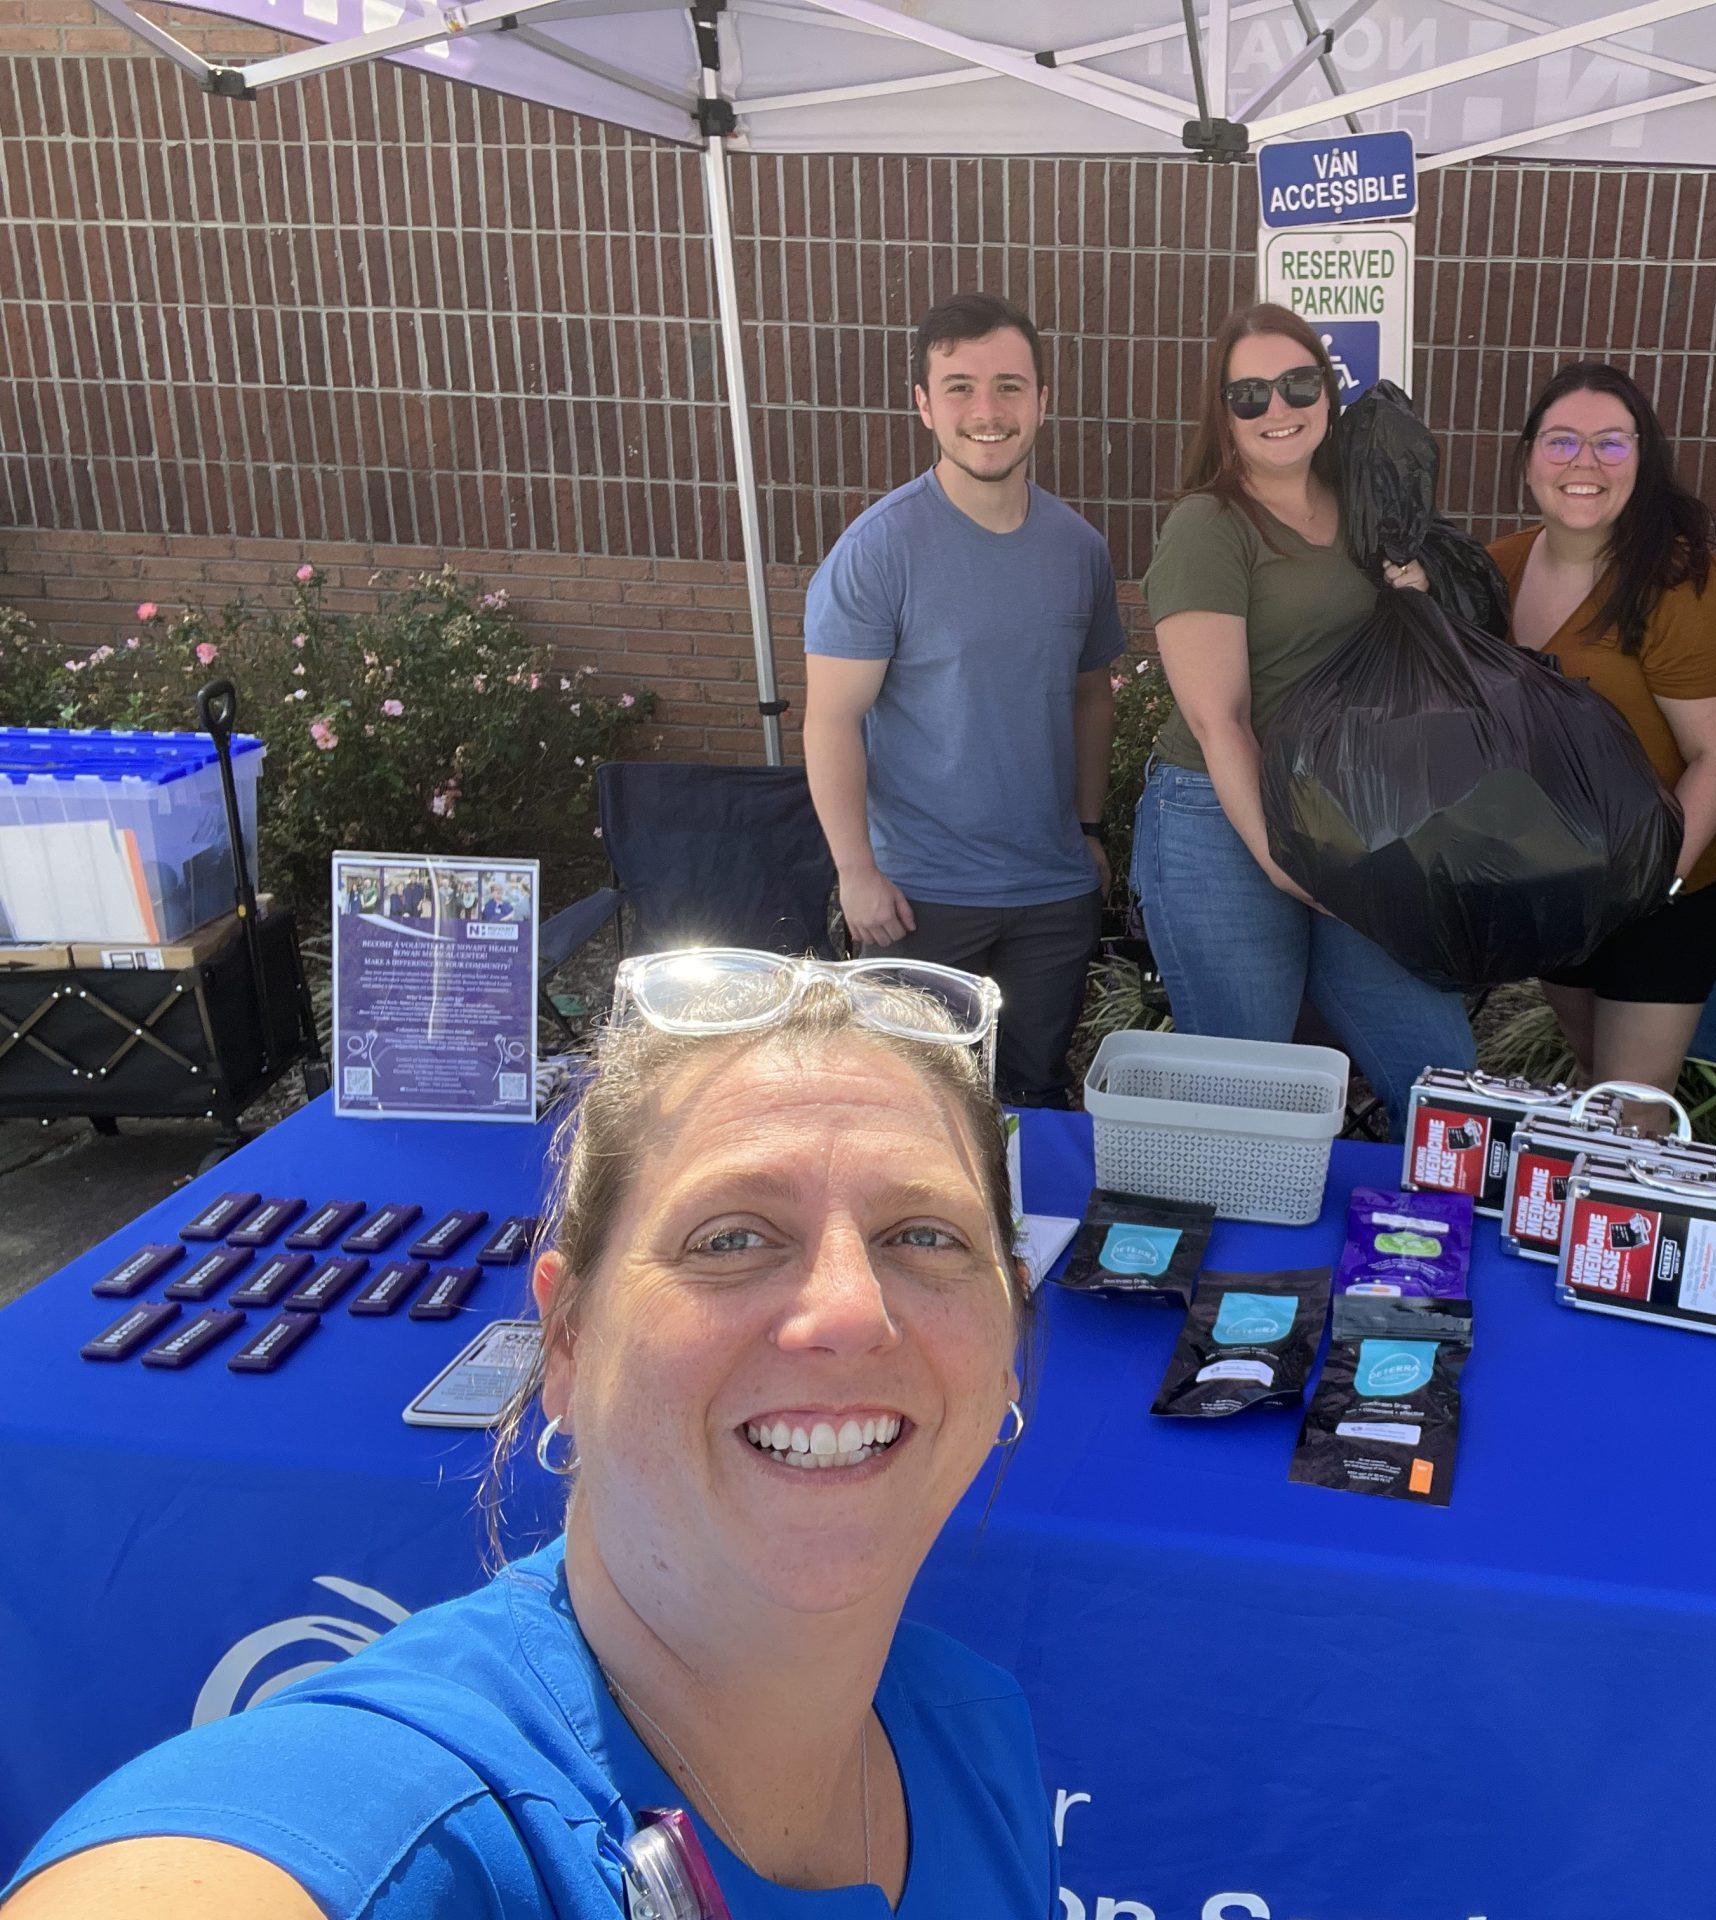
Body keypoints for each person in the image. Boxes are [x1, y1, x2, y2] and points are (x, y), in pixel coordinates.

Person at [2, 953, 1051, 1919]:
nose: (850, 1312)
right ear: (567, 1341)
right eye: (731, 1236)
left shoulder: (975, 1737)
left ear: (1008, 1341)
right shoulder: (414, 1828)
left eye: (925, 1235)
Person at [1134, 302, 1475, 1116]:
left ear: (1328, 390)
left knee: (1438, 1069)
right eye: (1248, 394)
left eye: (1297, 384)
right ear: (1223, 414)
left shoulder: (1364, 503)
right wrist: (1282, 859)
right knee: (1246, 1081)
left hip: (1352, 807)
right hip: (1222, 813)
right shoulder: (1209, 525)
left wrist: (1424, 588)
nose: (1276, 408)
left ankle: (1428, 1203)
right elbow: (1219, 720)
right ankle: (1240, 1201)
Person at [804, 291, 1124, 1106]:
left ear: (1042, 400)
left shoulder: (1079, 550)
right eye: (960, 387)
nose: (987, 411)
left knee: (1031, 1100)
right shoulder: (878, 551)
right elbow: (832, 719)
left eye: (1009, 386)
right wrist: (855, 872)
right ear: (924, 404)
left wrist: (1089, 829)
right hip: (917, 898)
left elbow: (1093, 697)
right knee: (909, 1108)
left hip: (1051, 894)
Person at [1491, 363, 1716, 1122]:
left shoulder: (1680, 583)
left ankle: (1629, 1196)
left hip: (1675, 864)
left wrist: (1651, 887)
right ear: (1528, 457)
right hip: (1562, 865)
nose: (1584, 462)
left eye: (1611, 443)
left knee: (1630, 1105)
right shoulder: (1497, 569)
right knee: (1589, 1066)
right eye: (1561, 441)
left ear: (1644, 460)